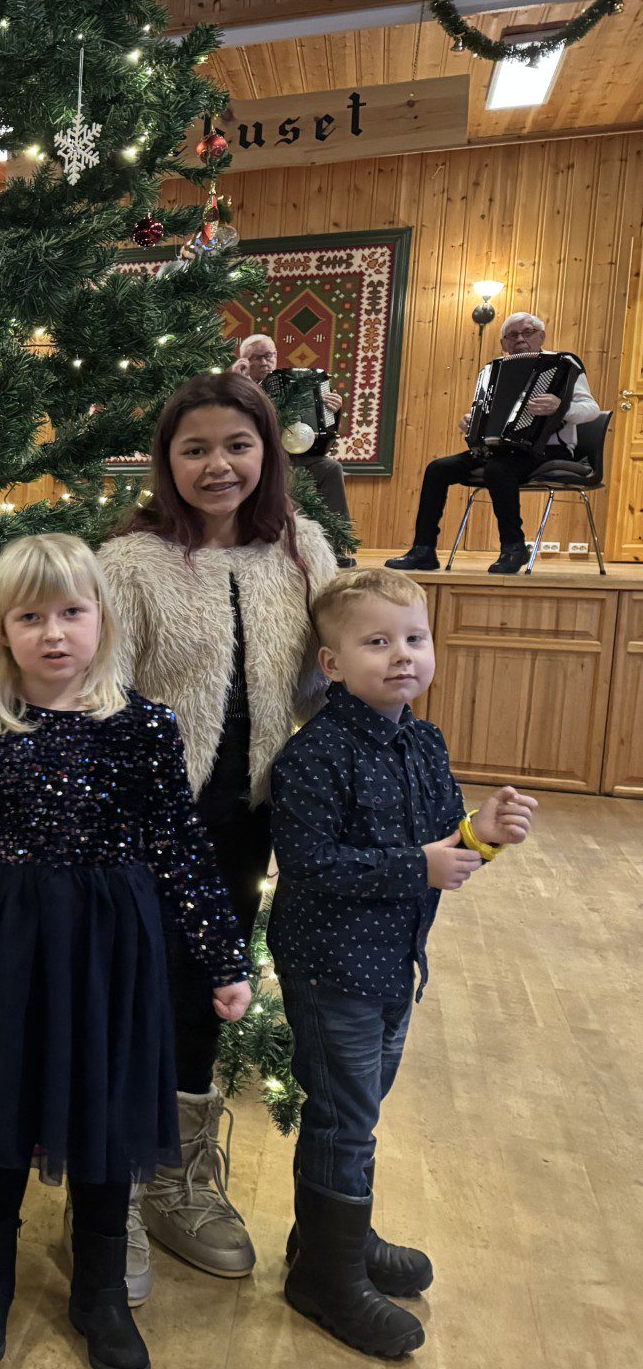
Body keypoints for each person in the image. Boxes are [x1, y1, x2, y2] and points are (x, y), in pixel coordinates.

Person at [0, 533, 251, 1369]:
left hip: (111, 953)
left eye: (72, 613)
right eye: (31, 617)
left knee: (105, 1110)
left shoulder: (144, 727)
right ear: (0, 630)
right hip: (7, 946)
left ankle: (98, 1288)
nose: (54, 633)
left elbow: (179, 847)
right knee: (1, 1109)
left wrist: (224, 958)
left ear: (102, 620)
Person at [97, 372, 337, 1297]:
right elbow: (101, 696)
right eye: (193, 448)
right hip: (148, 822)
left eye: (236, 445)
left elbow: (339, 659)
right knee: (132, 991)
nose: (217, 465)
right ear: (166, 462)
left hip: (250, 822)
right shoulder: (130, 564)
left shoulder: (302, 551)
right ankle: (110, 1181)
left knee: (208, 990)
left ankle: (178, 1175)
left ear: (268, 452)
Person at [269, 568, 536, 1358]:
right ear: (331, 662)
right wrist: (418, 866)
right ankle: (324, 1277)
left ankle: (328, 1242)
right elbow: (311, 861)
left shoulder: (423, 741)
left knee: (360, 1112)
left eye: (414, 639)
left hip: (394, 965)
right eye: (377, 642)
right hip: (332, 970)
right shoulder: (316, 754)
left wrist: (480, 834)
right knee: (345, 1117)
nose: (401, 657)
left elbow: (444, 847)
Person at [386, 312, 601, 575]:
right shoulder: (494, 371)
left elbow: (591, 409)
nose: (520, 339)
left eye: (528, 332)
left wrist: (561, 408)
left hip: (547, 448)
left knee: (499, 469)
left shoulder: (563, 365)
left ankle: (513, 547)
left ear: (542, 337)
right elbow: (486, 412)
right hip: (500, 449)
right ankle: (423, 550)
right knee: (437, 468)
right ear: (503, 344)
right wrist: (472, 421)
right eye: (512, 335)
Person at [233, 333, 357, 568]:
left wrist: (333, 409)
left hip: (298, 456)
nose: (264, 362)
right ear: (244, 361)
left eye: (268, 356)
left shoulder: (294, 384)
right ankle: (280, 548)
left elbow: (320, 430)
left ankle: (336, 547)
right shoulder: (239, 388)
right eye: (256, 358)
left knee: (330, 468)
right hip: (262, 460)